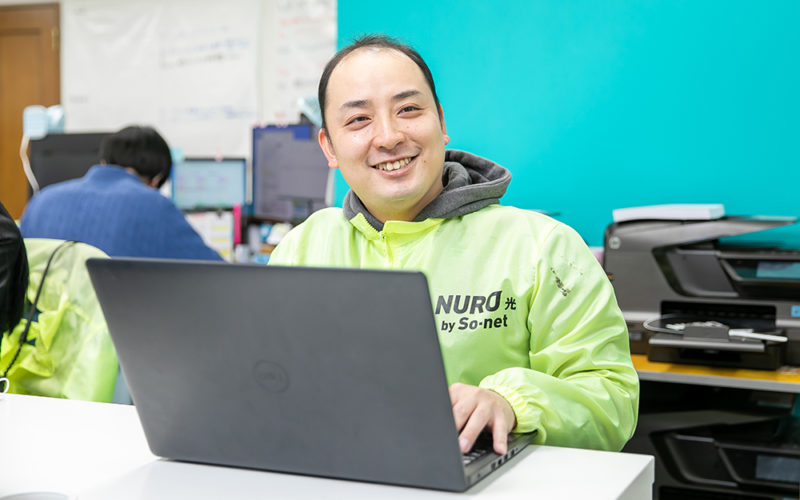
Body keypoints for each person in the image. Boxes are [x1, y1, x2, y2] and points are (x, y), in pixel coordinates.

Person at [268, 35, 639, 454]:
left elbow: (612, 402)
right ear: (329, 147)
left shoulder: (543, 248)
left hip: (491, 476)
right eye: (358, 120)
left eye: (408, 110)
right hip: (332, 470)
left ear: (441, 123)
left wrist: (512, 404)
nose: (388, 136)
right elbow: (263, 382)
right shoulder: (301, 250)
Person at [20, 125, 222, 261]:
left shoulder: (40, 201)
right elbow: (216, 272)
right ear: (156, 179)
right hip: (116, 315)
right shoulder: (154, 206)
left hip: (44, 315)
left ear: (103, 162)